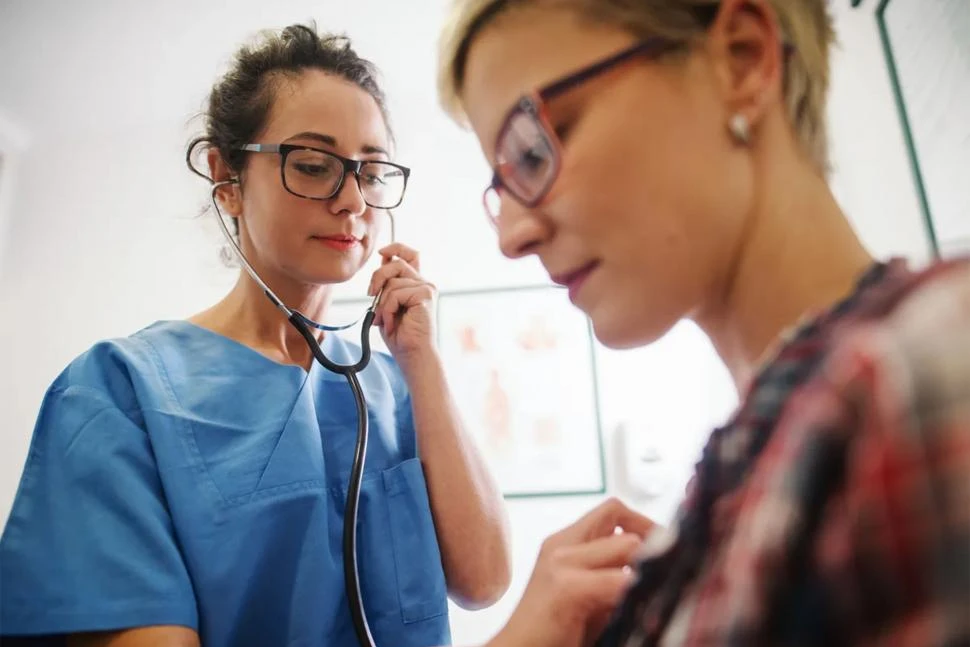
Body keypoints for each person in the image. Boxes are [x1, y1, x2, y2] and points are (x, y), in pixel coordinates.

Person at [436, 0, 970, 645]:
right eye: (503, 184)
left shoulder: (927, 368)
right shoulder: (746, 472)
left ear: (741, 59)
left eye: (532, 150)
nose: (512, 237)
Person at [0, 23, 511, 647]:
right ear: (228, 179)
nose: (352, 199)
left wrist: (424, 362)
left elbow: (483, 580)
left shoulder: (397, 387)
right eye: (315, 165)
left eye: (372, 172)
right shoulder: (119, 393)